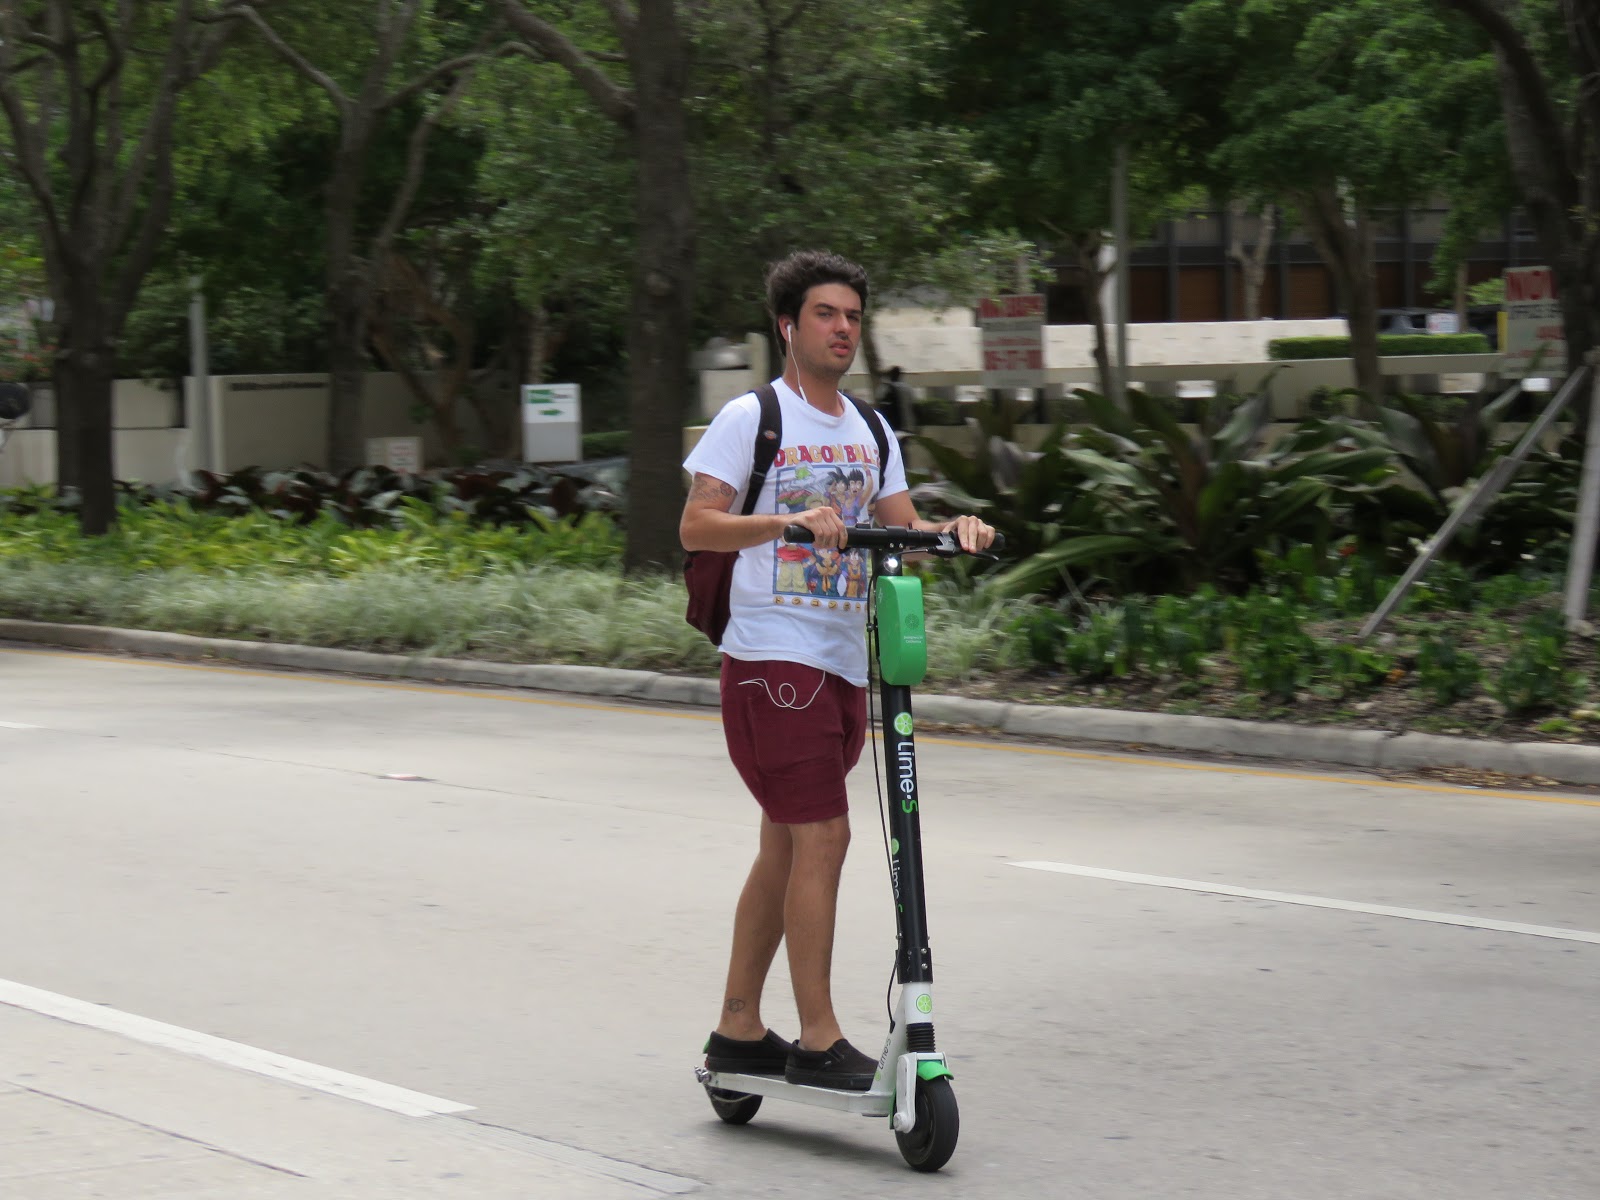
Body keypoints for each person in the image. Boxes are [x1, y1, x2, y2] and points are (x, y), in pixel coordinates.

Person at [680, 250, 994, 1091]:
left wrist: (951, 532)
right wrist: (784, 519)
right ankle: (819, 1040)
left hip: (840, 663)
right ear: (789, 326)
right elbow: (697, 526)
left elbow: (901, 530)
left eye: (853, 316)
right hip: (768, 660)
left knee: (784, 847)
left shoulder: (872, 428)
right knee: (824, 834)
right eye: (826, 314)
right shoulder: (753, 418)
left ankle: (738, 1030)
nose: (843, 329)